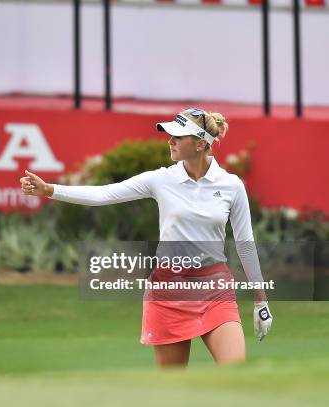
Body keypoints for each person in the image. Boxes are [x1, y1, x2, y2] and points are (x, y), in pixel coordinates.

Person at [19, 108, 273, 367]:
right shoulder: (161, 179)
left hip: (214, 288)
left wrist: (260, 299)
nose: (170, 141)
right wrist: (50, 190)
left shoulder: (231, 185)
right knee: (172, 390)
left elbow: (245, 244)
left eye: (178, 136)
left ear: (200, 143)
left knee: (235, 371)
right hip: (169, 290)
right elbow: (104, 195)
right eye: (170, 135)